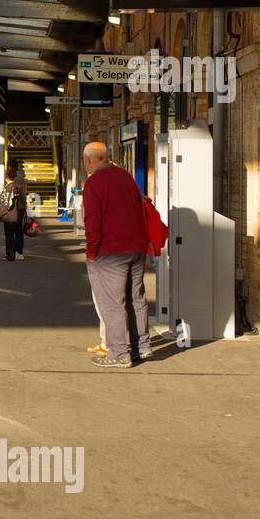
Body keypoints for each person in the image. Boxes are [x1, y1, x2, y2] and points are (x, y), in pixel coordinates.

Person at [81, 142, 152, 370]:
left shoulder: (94, 184)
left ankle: (119, 354)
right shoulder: (126, 177)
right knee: (136, 298)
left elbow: (92, 221)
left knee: (112, 303)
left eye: (85, 161)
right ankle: (142, 346)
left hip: (111, 252)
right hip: (137, 248)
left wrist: (92, 252)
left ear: (90, 161)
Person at [0, 161, 26, 262]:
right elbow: (22, 197)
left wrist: (2, 213)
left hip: (10, 214)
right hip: (20, 210)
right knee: (18, 231)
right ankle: (19, 252)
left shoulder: (9, 187)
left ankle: (10, 254)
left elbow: (7, 203)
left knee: (9, 234)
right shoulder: (19, 183)